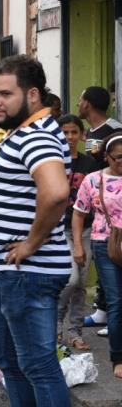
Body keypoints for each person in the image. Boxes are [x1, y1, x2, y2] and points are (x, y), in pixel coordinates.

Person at [0, 55, 72, 405]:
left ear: (32, 95)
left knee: (37, 365)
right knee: (10, 361)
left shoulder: (37, 137)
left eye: (6, 94)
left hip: (28, 273)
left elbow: (57, 192)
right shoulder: (23, 132)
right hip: (10, 272)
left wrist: (31, 244)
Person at [72, 134, 122, 380]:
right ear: (107, 157)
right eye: (118, 157)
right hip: (104, 244)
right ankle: (118, 357)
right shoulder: (94, 180)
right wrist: (79, 248)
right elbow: (79, 214)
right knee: (116, 301)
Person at [77, 85, 122, 328]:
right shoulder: (92, 132)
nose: (78, 104)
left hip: (114, 204)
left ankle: (110, 313)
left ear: (89, 103)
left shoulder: (113, 130)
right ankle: (104, 310)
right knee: (103, 260)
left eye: (81, 100)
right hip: (95, 199)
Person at [56, 114, 99, 351]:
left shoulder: (89, 164)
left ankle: (74, 332)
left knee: (81, 283)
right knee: (69, 280)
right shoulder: (54, 162)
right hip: (61, 228)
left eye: (74, 132)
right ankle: (55, 325)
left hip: (86, 228)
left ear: (82, 135)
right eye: (65, 132)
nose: (70, 137)